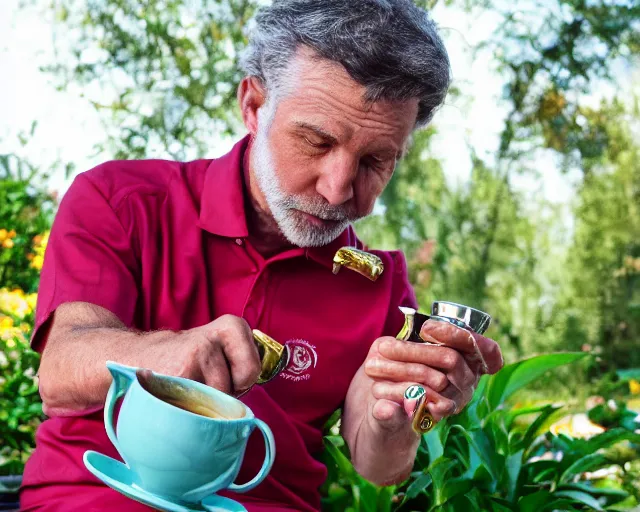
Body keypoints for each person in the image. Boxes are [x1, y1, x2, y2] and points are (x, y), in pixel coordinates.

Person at [20, 0, 503, 510]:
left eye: (375, 161)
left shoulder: (378, 286)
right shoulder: (121, 200)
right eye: (315, 142)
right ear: (253, 105)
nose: (339, 190)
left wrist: (400, 414)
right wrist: (166, 354)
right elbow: (60, 373)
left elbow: (378, 464)